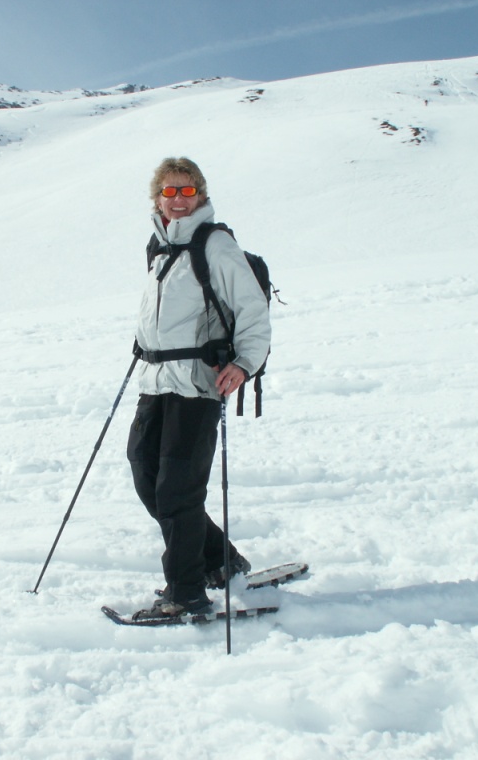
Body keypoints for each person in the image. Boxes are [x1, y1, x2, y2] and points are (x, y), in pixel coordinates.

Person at [127, 157, 271, 619]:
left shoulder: (215, 244)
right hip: (156, 380)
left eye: (187, 191)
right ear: (157, 199)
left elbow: (252, 311)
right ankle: (220, 560)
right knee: (146, 474)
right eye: (169, 191)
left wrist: (244, 364)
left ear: (201, 196)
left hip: (198, 382)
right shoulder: (160, 247)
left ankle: (186, 591)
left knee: (178, 491)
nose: (178, 199)